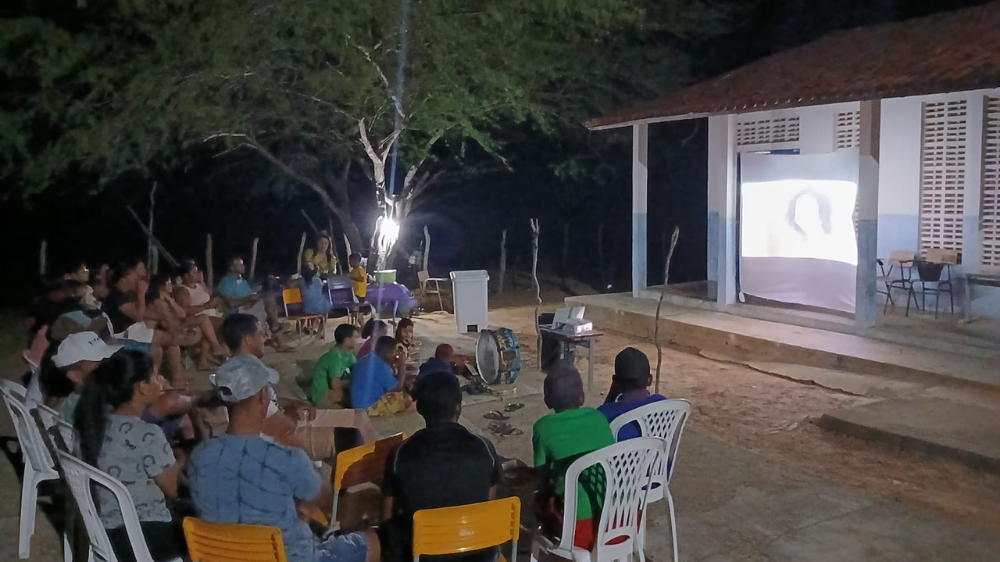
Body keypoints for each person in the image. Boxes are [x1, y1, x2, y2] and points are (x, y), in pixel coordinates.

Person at [188, 357, 376, 562]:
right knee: (374, 541)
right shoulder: (287, 459)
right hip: (290, 557)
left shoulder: (200, 457)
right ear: (261, 396)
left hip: (227, 556)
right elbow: (325, 498)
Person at [74, 350, 183, 562]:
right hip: (141, 536)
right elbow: (173, 489)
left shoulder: (91, 427)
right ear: (142, 387)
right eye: (155, 375)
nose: (161, 380)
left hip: (103, 532)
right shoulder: (147, 434)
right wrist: (183, 458)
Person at [380, 372, 500, 562]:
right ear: (458, 407)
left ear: (419, 408)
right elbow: (488, 505)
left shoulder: (400, 453)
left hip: (421, 557)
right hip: (480, 554)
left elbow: (387, 517)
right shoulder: (486, 449)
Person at [221, 313, 378, 459]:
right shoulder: (243, 376)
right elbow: (276, 426)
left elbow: (270, 398)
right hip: (282, 436)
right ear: (248, 339)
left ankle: (378, 463)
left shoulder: (244, 368)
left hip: (288, 420)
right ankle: (374, 468)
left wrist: (293, 403)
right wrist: (292, 413)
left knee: (359, 416)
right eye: (261, 334)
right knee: (350, 437)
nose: (266, 338)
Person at [532, 365, 615, 550]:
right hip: (624, 518)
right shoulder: (599, 417)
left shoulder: (543, 427)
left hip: (581, 530)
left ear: (547, 400)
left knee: (540, 501)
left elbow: (541, 477)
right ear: (582, 396)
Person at [101, 260, 185, 381]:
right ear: (123, 279)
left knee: (170, 338)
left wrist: (165, 317)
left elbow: (143, 313)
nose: (137, 278)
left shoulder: (124, 294)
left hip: (130, 329)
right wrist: (141, 295)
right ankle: (155, 378)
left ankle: (166, 377)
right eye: (134, 275)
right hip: (122, 335)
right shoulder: (117, 296)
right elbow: (139, 316)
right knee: (168, 341)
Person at [148, 273, 226, 370]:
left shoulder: (168, 299)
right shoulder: (158, 303)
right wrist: (185, 325)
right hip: (173, 332)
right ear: (161, 287)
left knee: (206, 323)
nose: (172, 285)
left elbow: (182, 314)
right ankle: (215, 349)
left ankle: (213, 351)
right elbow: (170, 325)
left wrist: (170, 300)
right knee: (206, 324)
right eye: (169, 283)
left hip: (178, 325)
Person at [599, 348, 667, 440]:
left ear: (615, 381)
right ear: (650, 380)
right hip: (656, 454)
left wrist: (611, 396)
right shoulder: (663, 404)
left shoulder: (604, 414)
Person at [216, 256, 284, 338]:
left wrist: (256, 297)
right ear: (232, 268)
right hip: (236, 311)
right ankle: (275, 332)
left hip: (248, 307)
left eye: (243, 264)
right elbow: (231, 304)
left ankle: (275, 328)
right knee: (267, 308)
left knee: (269, 298)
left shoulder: (243, 282)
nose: (243, 266)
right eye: (239, 265)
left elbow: (250, 296)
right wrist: (249, 300)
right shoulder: (225, 282)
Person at [350, 336, 411, 417]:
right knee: (406, 399)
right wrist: (402, 365)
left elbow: (392, 379)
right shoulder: (380, 365)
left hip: (357, 402)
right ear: (387, 352)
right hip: (367, 407)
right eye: (395, 351)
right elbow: (397, 388)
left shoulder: (369, 358)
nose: (397, 354)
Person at [311, 324, 358, 407]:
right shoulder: (335, 356)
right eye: (355, 338)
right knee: (353, 404)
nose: (357, 340)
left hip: (335, 385)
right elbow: (335, 385)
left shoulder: (348, 352)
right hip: (322, 393)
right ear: (347, 340)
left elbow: (356, 369)